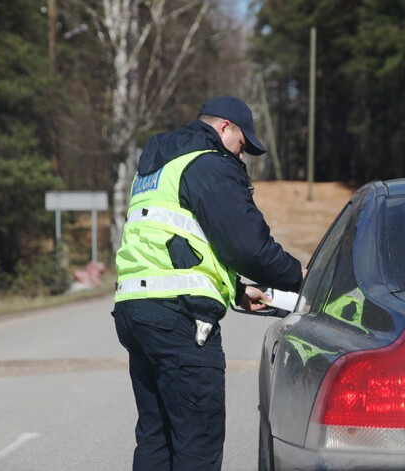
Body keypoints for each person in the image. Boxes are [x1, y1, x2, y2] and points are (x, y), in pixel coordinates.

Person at [112, 96, 303, 470]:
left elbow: (180, 245)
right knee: (197, 440)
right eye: (242, 144)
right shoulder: (208, 162)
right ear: (224, 128)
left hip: (137, 314)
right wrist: (299, 277)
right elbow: (247, 245)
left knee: (157, 436)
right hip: (179, 319)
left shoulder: (159, 166)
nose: (242, 155)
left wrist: (235, 289)